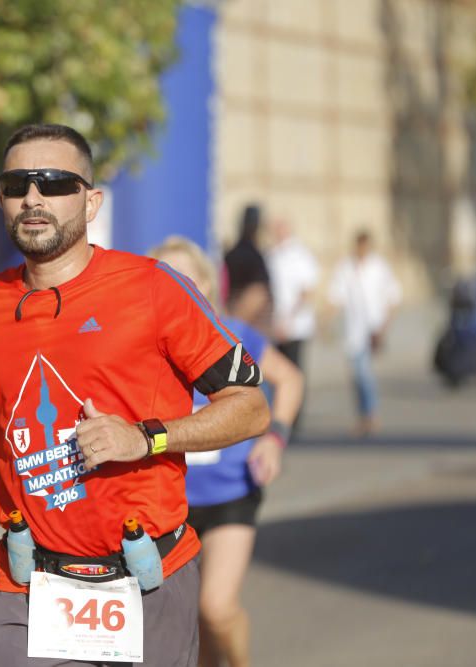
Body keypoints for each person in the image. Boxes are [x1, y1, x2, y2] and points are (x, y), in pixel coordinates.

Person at [0, 123, 270, 667]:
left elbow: (251, 406)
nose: (33, 198)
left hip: (144, 576)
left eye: (55, 183)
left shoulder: (153, 288)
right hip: (29, 581)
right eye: (17, 184)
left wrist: (145, 437)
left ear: (91, 202)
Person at [149, 236, 303, 667]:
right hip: (165, 502)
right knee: (181, 624)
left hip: (229, 493)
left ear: (205, 282)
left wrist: (275, 439)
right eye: (165, 277)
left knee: (215, 608)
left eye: (185, 276)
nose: (177, 285)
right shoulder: (142, 346)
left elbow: (289, 380)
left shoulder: (234, 334)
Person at [328, 230, 402, 436]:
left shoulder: (379, 267)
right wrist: (326, 322)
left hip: (373, 328)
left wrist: (385, 326)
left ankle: (371, 414)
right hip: (354, 330)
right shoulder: (346, 267)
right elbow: (337, 296)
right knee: (358, 374)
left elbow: (393, 296)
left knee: (364, 372)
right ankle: (364, 414)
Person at [265, 217, 319, 428]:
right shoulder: (271, 255)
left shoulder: (300, 256)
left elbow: (306, 291)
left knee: (293, 372)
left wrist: (288, 319)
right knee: (273, 373)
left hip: (295, 326)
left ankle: (292, 418)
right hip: (273, 325)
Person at [224, 203, 271, 330]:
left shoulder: (231, 254)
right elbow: (256, 293)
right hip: (248, 330)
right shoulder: (253, 256)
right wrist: (237, 326)